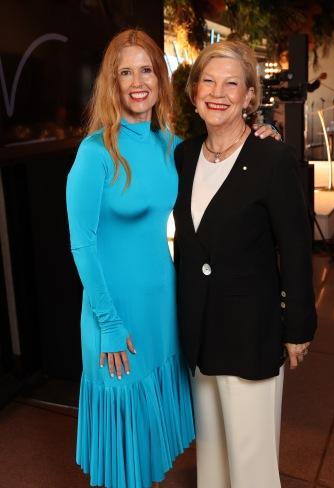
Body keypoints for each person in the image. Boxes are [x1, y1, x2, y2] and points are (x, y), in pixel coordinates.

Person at [173, 40, 317, 488]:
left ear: (249, 96)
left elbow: (295, 248)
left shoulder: (272, 158)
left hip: (251, 334)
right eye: (209, 82)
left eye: (232, 83)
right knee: (212, 461)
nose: (219, 92)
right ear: (195, 93)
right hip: (200, 335)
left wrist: (298, 328)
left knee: (252, 469)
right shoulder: (182, 156)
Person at [66, 29, 195, 488]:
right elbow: (82, 243)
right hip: (115, 312)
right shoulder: (95, 153)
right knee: (124, 448)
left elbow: (226, 162)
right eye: (126, 72)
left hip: (162, 306)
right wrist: (110, 322)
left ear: (160, 79)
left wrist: (265, 129)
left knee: (150, 441)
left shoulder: (172, 146)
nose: (137, 81)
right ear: (113, 83)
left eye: (146, 70)